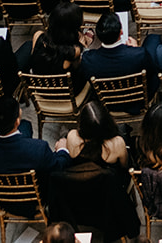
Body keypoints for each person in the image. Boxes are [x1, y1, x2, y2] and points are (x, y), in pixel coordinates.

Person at [50, 101, 139, 243]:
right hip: (108, 193)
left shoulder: (73, 137)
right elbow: (124, 166)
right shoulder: (117, 143)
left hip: (78, 192)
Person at [0, 97, 71, 182]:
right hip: (36, 197)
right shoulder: (39, 149)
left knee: (26, 126)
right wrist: (62, 150)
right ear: (17, 122)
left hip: (0, 200)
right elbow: (57, 167)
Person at [77, 10, 158, 97]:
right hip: (138, 99)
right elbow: (150, 73)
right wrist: (136, 49)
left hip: (107, 101)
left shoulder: (88, 59)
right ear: (121, 32)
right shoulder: (138, 54)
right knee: (153, 39)